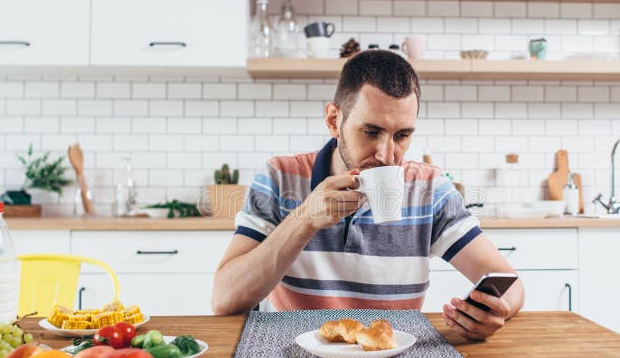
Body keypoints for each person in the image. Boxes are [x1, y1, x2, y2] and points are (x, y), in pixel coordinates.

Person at [211, 50, 524, 340]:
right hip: (290, 352)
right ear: (334, 120)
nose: (387, 155)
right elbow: (225, 300)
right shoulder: (280, 177)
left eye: (402, 135)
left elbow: (509, 284)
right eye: (371, 132)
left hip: (388, 354)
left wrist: (495, 310)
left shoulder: (430, 189)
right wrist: (304, 219)